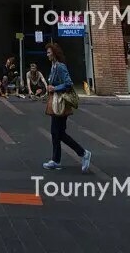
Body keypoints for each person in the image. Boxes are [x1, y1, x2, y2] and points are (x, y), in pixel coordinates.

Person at [42, 42, 92, 172]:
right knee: (55, 132)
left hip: (61, 102)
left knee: (59, 133)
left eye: (48, 52)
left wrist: (55, 88)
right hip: (55, 101)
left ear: (54, 53)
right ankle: (55, 160)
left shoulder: (60, 66)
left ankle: (83, 153)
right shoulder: (53, 67)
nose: (47, 55)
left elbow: (68, 83)